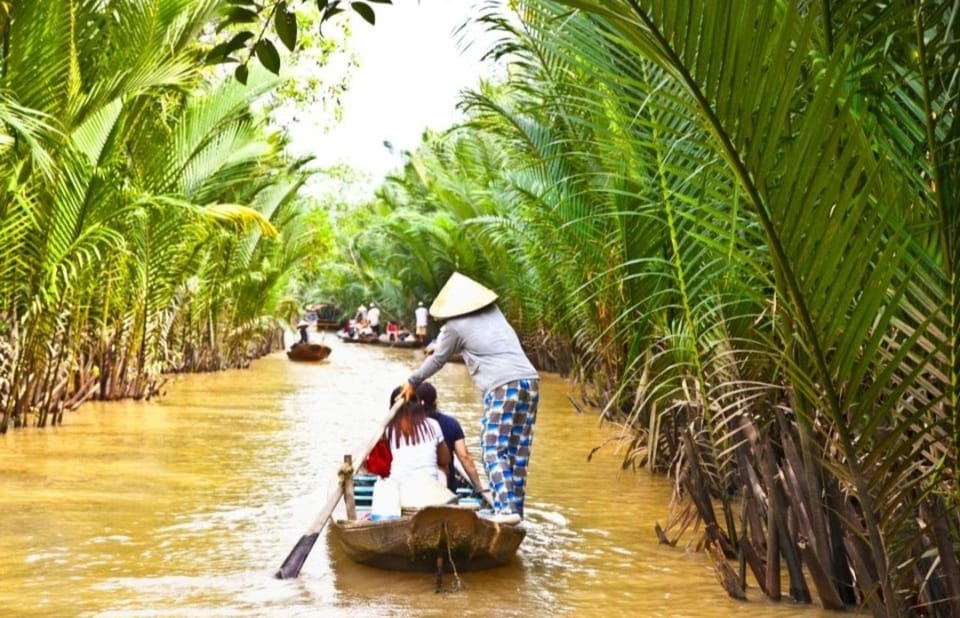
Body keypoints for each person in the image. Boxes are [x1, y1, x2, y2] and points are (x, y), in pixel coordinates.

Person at [400, 272, 539, 524]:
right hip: (530, 381)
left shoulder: (454, 326)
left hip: (502, 385)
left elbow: (439, 359)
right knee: (518, 451)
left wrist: (412, 381)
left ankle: (506, 511)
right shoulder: (495, 312)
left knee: (492, 447)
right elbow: (476, 342)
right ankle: (517, 512)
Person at [384, 388, 455, 508]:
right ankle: (443, 501)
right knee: (443, 468)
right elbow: (445, 460)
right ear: (419, 405)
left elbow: (382, 464)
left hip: (400, 492)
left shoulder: (387, 429)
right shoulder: (433, 424)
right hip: (429, 492)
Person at [416, 381, 484, 495]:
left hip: (415, 484)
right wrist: (478, 487)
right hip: (447, 487)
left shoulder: (408, 425)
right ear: (435, 401)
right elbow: (464, 457)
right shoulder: (451, 423)